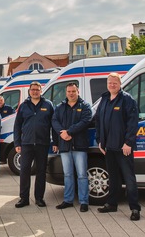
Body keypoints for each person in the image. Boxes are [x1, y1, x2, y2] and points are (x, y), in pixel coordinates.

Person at [95, 73, 141, 221]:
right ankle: (112, 204)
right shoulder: (104, 99)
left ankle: (135, 208)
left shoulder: (127, 99)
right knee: (113, 178)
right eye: (110, 83)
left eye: (115, 83)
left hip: (123, 147)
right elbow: (99, 122)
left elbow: (133, 123)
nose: (112, 85)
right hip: (108, 147)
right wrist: (100, 141)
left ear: (120, 84)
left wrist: (128, 142)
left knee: (129, 178)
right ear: (107, 84)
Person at [14, 81, 56, 208]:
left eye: (37, 89)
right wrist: (17, 142)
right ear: (29, 91)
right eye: (33, 89)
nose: (35, 91)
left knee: (41, 171)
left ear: (41, 91)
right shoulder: (23, 106)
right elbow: (17, 125)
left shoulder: (48, 105)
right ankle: (24, 198)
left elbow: (53, 125)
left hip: (42, 143)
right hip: (26, 144)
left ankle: (39, 198)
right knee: (24, 171)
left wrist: (55, 141)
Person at [52, 83, 93, 212]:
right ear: (66, 93)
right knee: (68, 174)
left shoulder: (85, 106)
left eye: (73, 91)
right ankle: (68, 200)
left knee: (81, 175)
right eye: (69, 91)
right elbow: (54, 121)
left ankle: (84, 201)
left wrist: (69, 132)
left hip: (80, 146)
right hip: (64, 146)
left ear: (78, 91)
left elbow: (85, 121)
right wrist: (61, 134)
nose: (71, 93)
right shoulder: (60, 107)